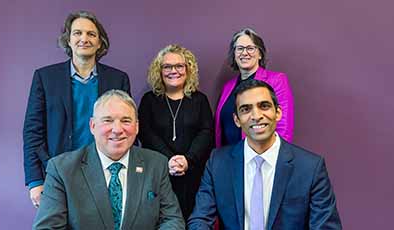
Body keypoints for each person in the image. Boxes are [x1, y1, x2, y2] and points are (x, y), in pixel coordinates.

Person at [188, 79, 342, 229]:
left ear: (278, 113)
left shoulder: (310, 168)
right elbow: (200, 219)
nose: (256, 116)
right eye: (246, 109)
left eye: (264, 106)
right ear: (237, 120)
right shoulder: (217, 163)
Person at [23, 10, 130, 208]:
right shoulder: (45, 78)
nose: (84, 39)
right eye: (77, 33)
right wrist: (35, 181)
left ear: (100, 43)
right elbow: (32, 132)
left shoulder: (118, 79)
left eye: (91, 34)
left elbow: (126, 129)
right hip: (56, 173)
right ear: (68, 40)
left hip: (104, 173)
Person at [33, 90, 184, 229]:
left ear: (137, 127)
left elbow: (172, 220)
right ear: (92, 126)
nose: (117, 129)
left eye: (126, 120)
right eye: (107, 120)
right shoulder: (62, 169)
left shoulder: (156, 164)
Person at [138, 44, 214, 221]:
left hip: (193, 174)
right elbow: (145, 133)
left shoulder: (199, 100)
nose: (174, 71)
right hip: (159, 173)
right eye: (167, 66)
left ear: (188, 69)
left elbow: (206, 132)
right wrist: (169, 159)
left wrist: (188, 159)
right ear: (159, 71)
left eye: (179, 66)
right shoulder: (149, 100)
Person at [215, 27, 294, 148]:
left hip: (260, 156)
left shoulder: (276, 80)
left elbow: (284, 125)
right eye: (240, 48)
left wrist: (276, 157)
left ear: (260, 54)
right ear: (234, 55)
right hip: (228, 157)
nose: (244, 53)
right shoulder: (228, 87)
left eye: (250, 48)